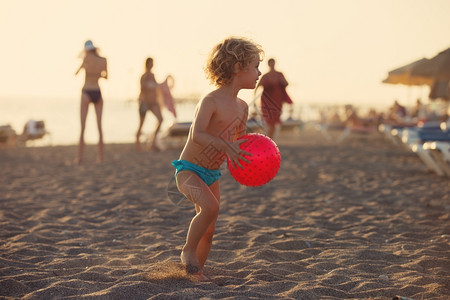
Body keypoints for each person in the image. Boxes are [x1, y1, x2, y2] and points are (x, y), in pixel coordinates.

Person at [172, 37, 263, 280]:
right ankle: (188, 250)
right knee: (210, 208)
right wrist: (225, 145)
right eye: (255, 66)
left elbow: (240, 140)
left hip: (212, 173)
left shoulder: (242, 107)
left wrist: (254, 153)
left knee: (210, 228)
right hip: (189, 170)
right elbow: (197, 134)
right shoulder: (210, 101)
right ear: (237, 68)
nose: (259, 72)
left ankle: (195, 272)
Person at [75, 40, 108, 164]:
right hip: (98, 92)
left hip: (87, 91)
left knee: (83, 127)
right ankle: (100, 157)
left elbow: (77, 72)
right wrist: (97, 75)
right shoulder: (103, 60)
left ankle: (79, 157)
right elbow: (106, 76)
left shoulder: (86, 58)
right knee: (99, 127)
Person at [255, 58, 292, 139]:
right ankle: (268, 138)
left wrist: (282, 81)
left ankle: (270, 138)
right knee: (268, 120)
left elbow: (286, 84)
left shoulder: (280, 74)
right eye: (270, 63)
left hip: (277, 101)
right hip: (267, 102)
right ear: (268, 64)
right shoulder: (265, 76)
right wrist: (254, 100)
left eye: (273, 63)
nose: (272, 65)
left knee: (275, 121)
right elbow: (257, 87)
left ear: (275, 63)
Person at [135, 57, 163, 151]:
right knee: (141, 123)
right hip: (145, 102)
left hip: (153, 103)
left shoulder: (152, 75)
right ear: (147, 64)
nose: (153, 65)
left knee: (160, 119)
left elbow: (156, 87)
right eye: (151, 63)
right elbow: (143, 88)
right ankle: (137, 143)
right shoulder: (144, 76)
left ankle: (153, 140)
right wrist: (151, 86)